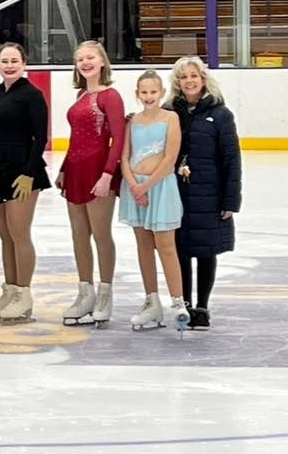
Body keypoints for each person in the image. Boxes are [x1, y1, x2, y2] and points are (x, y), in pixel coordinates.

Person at [0, 43, 50, 323]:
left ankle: (24, 295)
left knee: (19, 233)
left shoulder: (32, 95)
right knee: (5, 236)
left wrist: (28, 173)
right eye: (4, 60)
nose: (9, 65)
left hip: (21, 173)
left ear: (24, 63)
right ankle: (10, 289)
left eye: (14, 60)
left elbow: (41, 138)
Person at [166, 56, 242, 330]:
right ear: (178, 82)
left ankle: (202, 307)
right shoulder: (170, 111)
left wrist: (231, 200)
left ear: (203, 78)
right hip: (176, 193)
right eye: (184, 77)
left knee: (206, 251)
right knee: (181, 250)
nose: (189, 81)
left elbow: (231, 158)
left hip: (210, 195)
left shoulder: (220, 114)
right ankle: (183, 304)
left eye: (193, 76)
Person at [57, 41, 125, 328]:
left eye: (90, 58)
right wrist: (63, 168)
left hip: (99, 172)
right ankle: (85, 292)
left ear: (102, 62)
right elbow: (75, 139)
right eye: (80, 59)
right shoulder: (81, 94)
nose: (85, 63)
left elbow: (118, 139)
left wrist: (108, 174)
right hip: (75, 170)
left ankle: (105, 293)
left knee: (100, 234)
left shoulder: (110, 96)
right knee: (78, 235)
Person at [119, 70, 190, 331]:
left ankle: (178, 302)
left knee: (166, 244)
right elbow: (125, 157)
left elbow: (170, 158)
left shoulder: (171, 118)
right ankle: (152, 302)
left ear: (161, 93)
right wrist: (135, 186)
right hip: (136, 189)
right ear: (137, 94)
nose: (149, 96)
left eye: (153, 92)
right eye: (144, 92)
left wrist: (146, 186)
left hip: (160, 187)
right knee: (143, 245)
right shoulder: (132, 121)